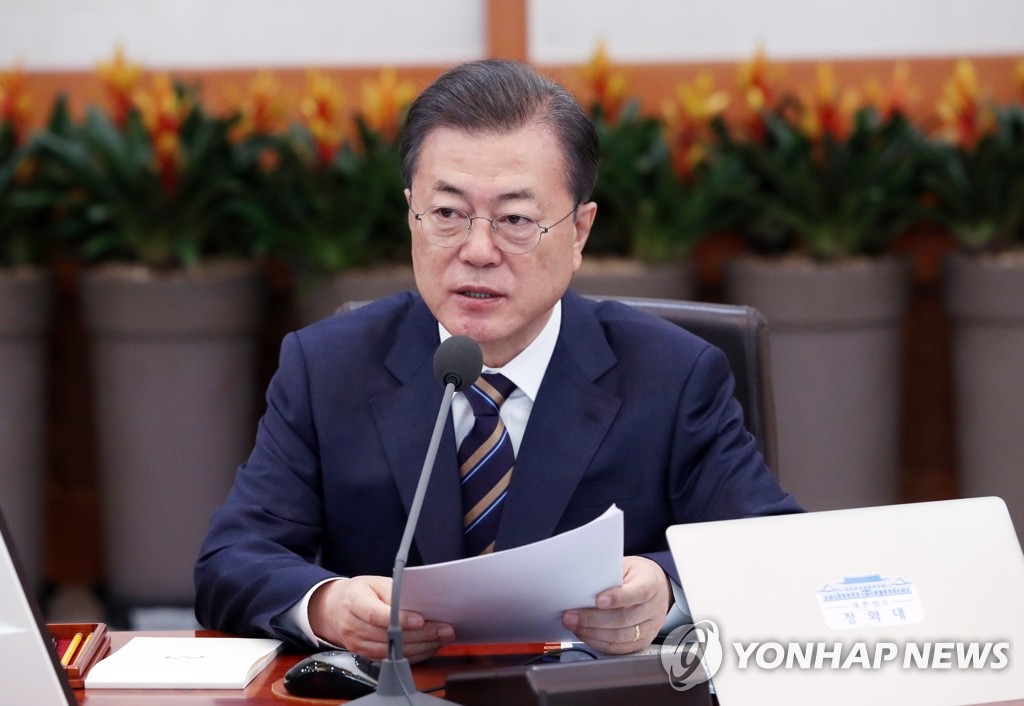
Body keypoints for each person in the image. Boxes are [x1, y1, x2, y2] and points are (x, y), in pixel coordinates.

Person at [194, 59, 800, 662]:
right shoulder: (328, 367)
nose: (478, 251)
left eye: (515, 220)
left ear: (579, 231)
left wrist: (666, 589)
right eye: (447, 214)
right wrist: (328, 606)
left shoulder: (672, 374)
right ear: (411, 215)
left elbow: (779, 551)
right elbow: (232, 560)